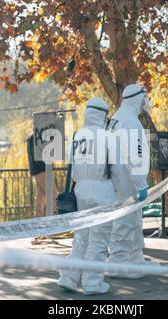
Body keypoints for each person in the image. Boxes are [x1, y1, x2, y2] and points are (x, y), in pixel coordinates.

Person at [57, 97, 116, 295]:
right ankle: (92, 283)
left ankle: (68, 277)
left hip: (80, 189)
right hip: (102, 190)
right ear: (103, 115)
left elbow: (72, 169)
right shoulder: (108, 137)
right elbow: (118, 168)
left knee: (81, 237)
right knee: (98, 239)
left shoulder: (77, 136)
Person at [107, 84, 150, 279]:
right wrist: (141, 184)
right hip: (126, 180)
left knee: (132, 220)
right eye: (144, 98)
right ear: (136, 99)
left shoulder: (118, 117)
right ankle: (119, 264)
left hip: (119, 178)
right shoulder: (130, 121)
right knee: (125, 221)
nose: (146, 102)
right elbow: (134, 156)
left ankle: (134, 259)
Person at [27, 133, 58, 217]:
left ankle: (38, 224)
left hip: (37, 169)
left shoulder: (33, 136)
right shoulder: (42, 135)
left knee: (40, 201)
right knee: (54, 198)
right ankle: (59, 226)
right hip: (43, 168)